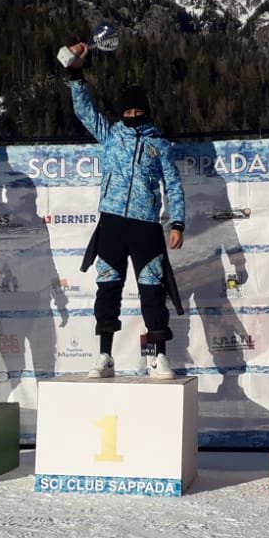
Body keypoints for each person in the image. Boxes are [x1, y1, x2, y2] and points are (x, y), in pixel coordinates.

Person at [58, 40, 186, 379]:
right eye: (127, 113)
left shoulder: (160, 145)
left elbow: (173, 185)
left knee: (153, 291)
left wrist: (177, 223)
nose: (132, 116)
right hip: (112, 224)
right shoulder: (111, 135)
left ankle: (159, 357)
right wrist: (76, 74)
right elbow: (84, 111)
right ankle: (105, 355)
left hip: (146, 227)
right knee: (108, 289)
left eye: (136, 112)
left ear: (146, 112)